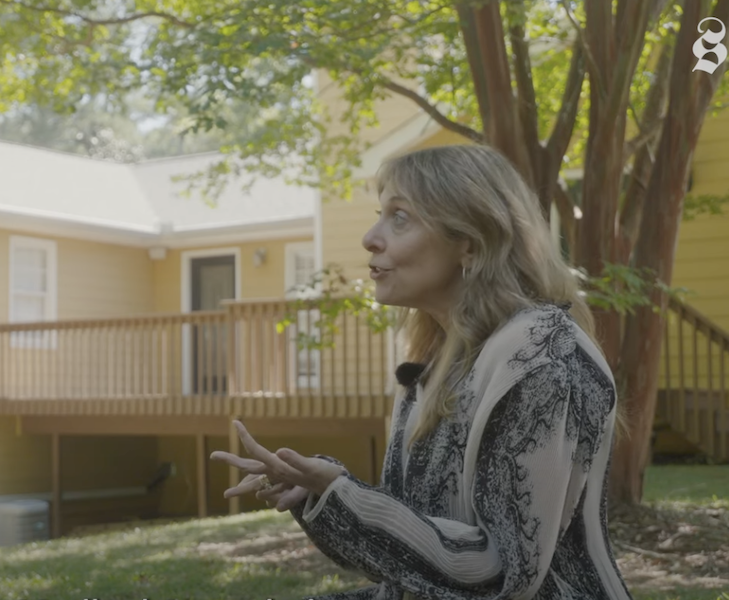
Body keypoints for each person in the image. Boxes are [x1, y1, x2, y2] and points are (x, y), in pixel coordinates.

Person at [212, 144, 633, 599]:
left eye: (400, 217)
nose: (370, 238)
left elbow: (503, 573)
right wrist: (321, 491)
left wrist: (343, 494)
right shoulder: (435, 363)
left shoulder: (541, 355)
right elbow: (414, 560)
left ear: (469, 243)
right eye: (380, 214)